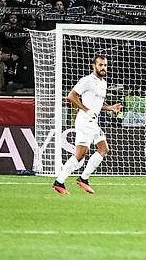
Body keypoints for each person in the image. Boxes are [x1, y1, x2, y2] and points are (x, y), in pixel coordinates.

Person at [53, 54, 123, 195]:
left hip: (90, 121)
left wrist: (110, 107)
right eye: (100, 65)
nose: (103, 68)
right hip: (85, 120)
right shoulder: (87, 80)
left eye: (105, 65)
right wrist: (86, 110)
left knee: (80, 154)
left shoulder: (103, 83)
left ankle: (59, 182)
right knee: (103, 148)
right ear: (94, 66)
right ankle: (83, 179)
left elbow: (97, 103)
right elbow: (71, 96)